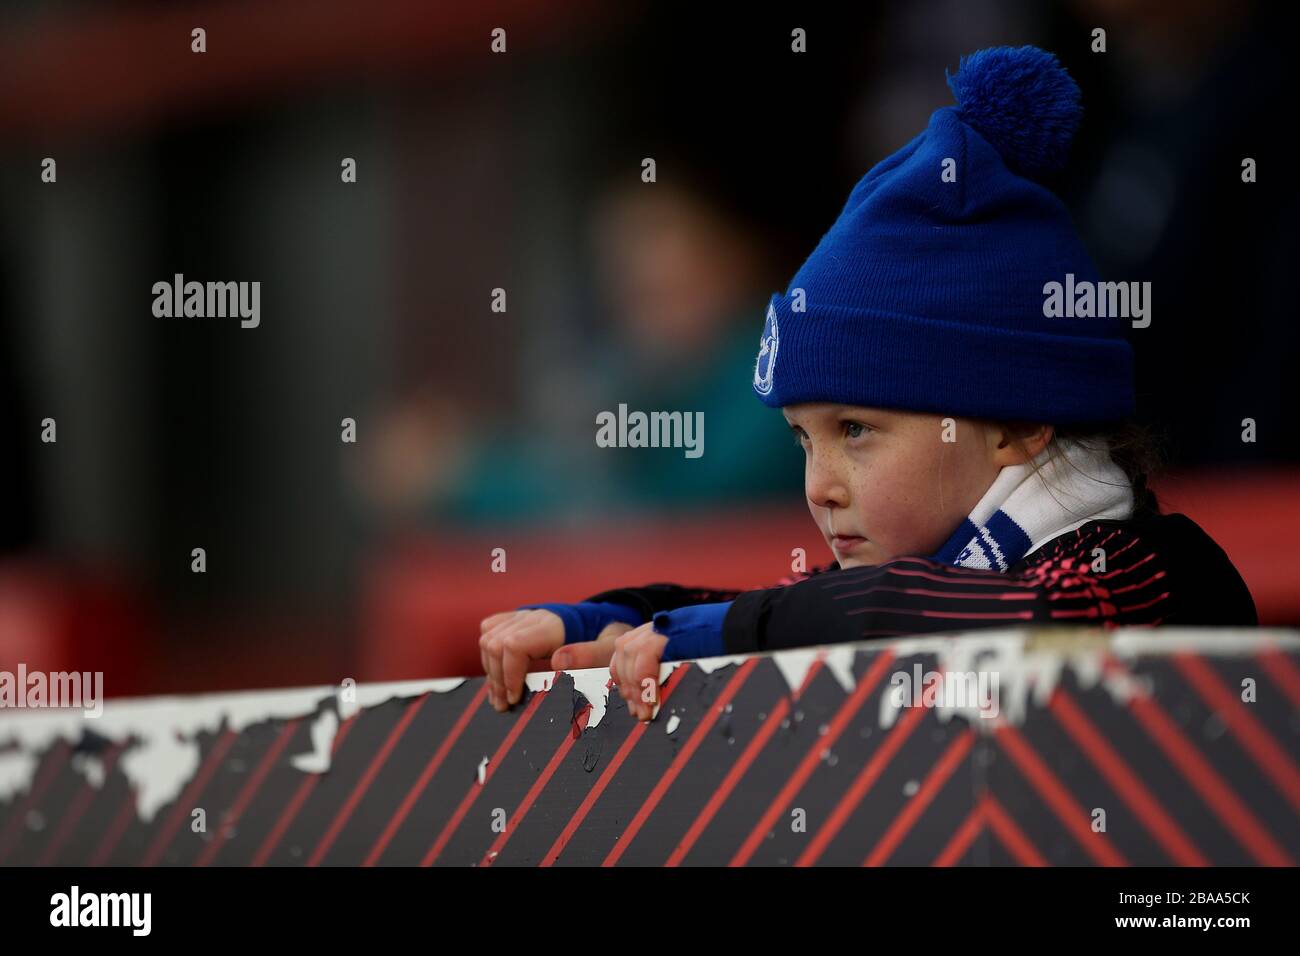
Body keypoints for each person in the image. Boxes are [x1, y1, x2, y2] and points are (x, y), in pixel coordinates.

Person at [478, 46, 1257, 719]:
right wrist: (597, 622)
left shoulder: (1141, 573)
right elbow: (761, 605)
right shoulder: (930, 574)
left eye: (854, 430)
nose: (819, 487)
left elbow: (920, 613)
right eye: (802, 439)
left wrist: (706, 636)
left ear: (1018, 427)